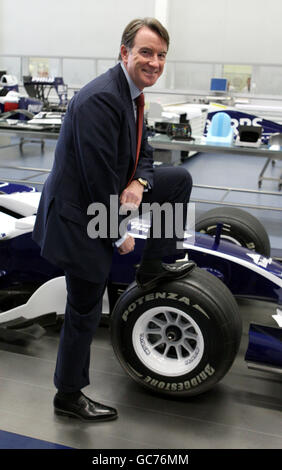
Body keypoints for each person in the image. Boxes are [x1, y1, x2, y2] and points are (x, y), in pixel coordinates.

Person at [32, 17, 193, 422]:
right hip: (78, 216)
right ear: (124, 52)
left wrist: (139, 181)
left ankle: (155, 264)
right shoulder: (102, 99)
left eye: (160, 55)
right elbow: (97, 180)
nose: (154, 62)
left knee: (177, 180)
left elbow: (146, 152)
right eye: (146, 52)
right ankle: (68, 395)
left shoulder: (133, 94)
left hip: (105, 196)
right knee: (86, 305)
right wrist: (116, 232)